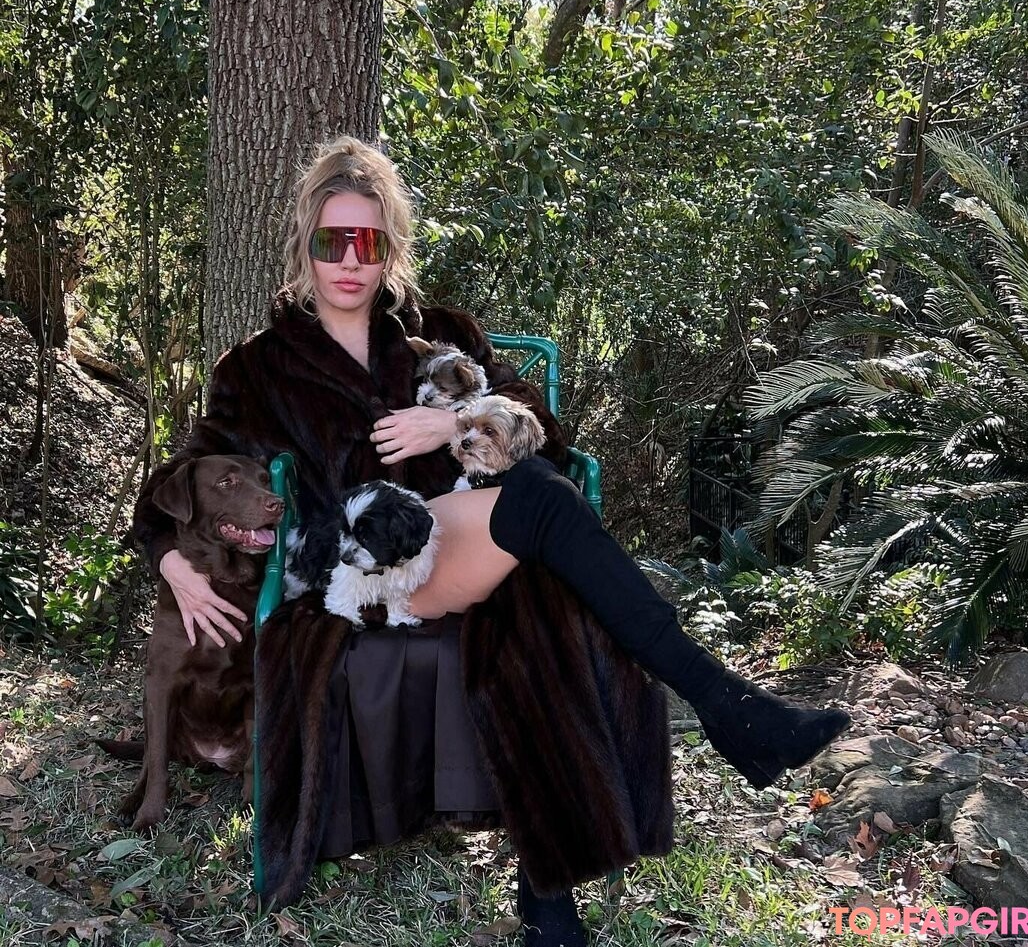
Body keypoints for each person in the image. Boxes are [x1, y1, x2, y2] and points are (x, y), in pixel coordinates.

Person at [133, 135, 849, 944]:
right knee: (541, 512)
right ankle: (728, 709)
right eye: (332, 241)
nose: (350, 261)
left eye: (367, 240)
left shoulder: (439, 333)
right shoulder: (259, 368)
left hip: (461, 542)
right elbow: (182, 475)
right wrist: (170, 559)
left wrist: (451, 424)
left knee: (544, 586)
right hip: (361, 564)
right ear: (306, 245)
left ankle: (551, 892)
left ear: (390, 245)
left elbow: (539, 425)